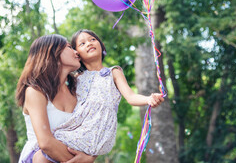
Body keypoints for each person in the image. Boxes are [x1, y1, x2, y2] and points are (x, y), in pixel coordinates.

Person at [44, 29, 165, 160]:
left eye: (92, 40)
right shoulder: (76, 78)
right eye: (82, 43)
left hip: (99, 133)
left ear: (101, 45)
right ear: (76, 54)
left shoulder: (113, 72)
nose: (89, 43)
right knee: (44, 154)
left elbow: (131, 97)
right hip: (78, 129)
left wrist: (148, 99)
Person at [16, 34, 96, 163]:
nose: (76, 52)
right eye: (69, 47)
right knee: (42, 159)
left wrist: (90, 157)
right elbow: (46, 143)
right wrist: (81, 161)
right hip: (40, 158)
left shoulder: (80, 91)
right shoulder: (35, 91)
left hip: (74, 157)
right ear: (52, 53)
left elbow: (94, 133)